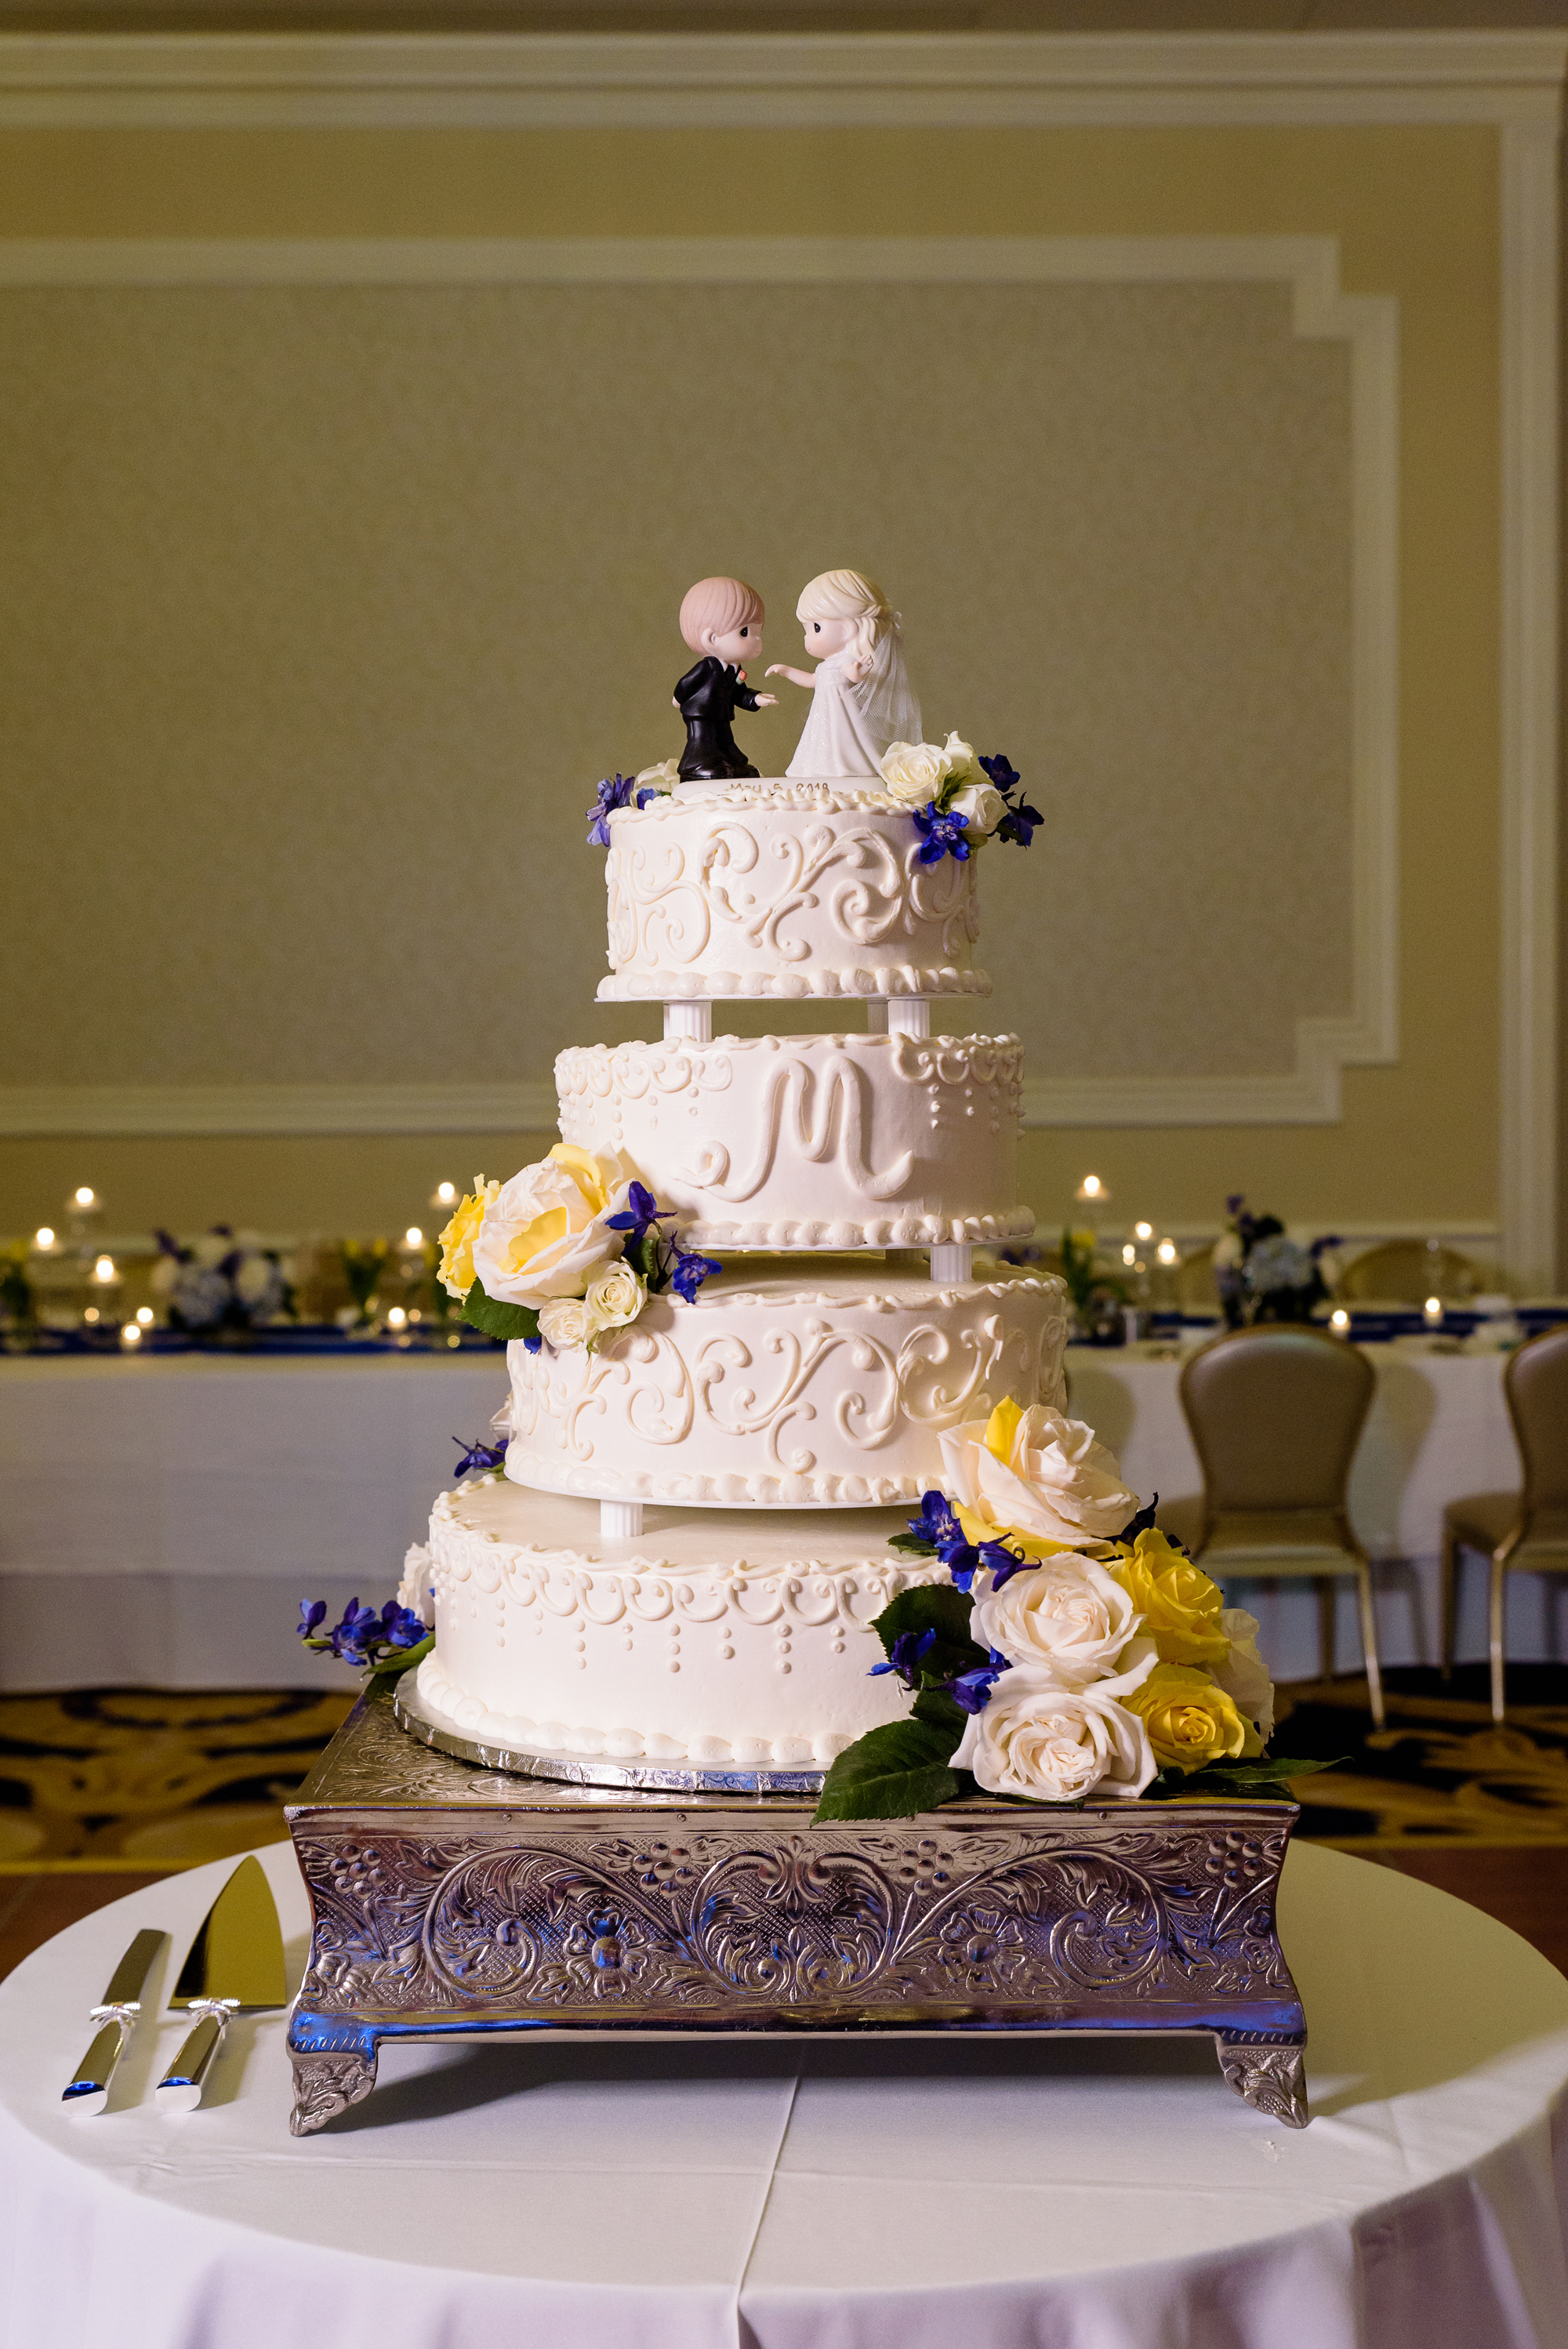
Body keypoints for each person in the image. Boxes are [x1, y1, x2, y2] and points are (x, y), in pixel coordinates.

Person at [765, 568, 921, 780]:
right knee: (819, 740)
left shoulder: (845, 661)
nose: (807, 639)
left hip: (843, 714)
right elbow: (811, 680)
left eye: (816, 628)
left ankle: (850, 767)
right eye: (807, 630)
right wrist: (786, 671)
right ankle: (818, 769)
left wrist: (859, 671)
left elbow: (853, 676)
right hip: (823, 715)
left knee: (849, 739)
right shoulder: (826, 666)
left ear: (848, 629)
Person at [673, 576, 777, 781]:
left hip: (721, 714)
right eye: (745, 632)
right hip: (701, 714)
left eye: (758, 633)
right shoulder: (707, 667)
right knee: (704, 741)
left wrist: (756, 699)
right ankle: (696, 764)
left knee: (725, 740)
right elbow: (686, 683)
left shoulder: (734, 670)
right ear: (712, 639)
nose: (756, 641)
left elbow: (739, 693)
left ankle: (731, 762)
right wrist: (678, 698)